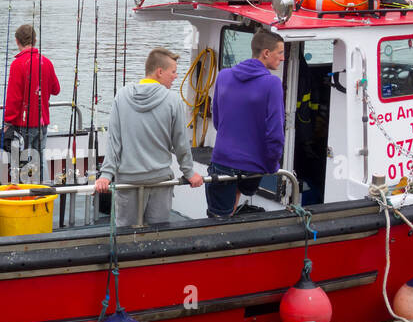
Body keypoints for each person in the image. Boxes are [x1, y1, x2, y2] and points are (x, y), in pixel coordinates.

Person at [94, 48, 203, 227]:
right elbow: (180, 143)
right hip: (159, 180)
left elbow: (114, 141)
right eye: (173, 72)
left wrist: (106, 174)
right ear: (159, 72)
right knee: (157, 235)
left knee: (125, 234)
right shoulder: (173, 100)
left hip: (128, 181)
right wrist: (189, 172)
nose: (176, 76)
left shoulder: (121, 96)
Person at [207, 28, 286, 218]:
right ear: (266, 53)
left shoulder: (223, 76)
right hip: (253, 166)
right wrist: (271, 165)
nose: (283, 58)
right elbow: (275, 133)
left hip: (222, 160)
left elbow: (217, 121)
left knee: (217, 219)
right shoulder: (272, 84)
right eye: (280, 53)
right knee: (236, 201)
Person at [2, 23, 60, 180]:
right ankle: (44, 192)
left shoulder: (17, 64)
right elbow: (56, 89)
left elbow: (13, 99)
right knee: (40, 160)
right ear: (35, 40)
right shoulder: (46, 62)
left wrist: (7, 122)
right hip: (42, 123)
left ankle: (22, 196)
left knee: (20, 162)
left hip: (22, 124)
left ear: (16, 41)